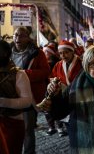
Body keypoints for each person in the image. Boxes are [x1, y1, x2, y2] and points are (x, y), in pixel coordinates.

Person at [11, 26, 50, 154]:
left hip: (29, 96)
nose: (17, 38)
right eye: (16, 35)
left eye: (21, 35)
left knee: (28, 129)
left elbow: (45, 72)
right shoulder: (7, 52)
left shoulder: (37, 53)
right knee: (13, 128)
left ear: (28, 38)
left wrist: (24, 74)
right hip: (11, 96)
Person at [0, 39, 32, 154]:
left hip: (12, 123)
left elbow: (27, 101)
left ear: (4, 54)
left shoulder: (19, 74)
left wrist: (3, 102)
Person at [45, 40, 82, 137]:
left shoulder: (81, 63)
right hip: (64, 98)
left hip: (79, 97)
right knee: (69, 123)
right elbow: (53, 78)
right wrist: (53, 84)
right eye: (61, 53)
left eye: (66, 52)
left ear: (72, 51)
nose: (63, 55)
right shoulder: (58, 65)